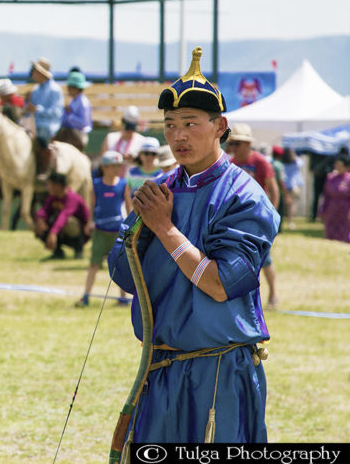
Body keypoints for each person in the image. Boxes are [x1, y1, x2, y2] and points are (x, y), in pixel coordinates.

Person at [108, 47, 279, 445]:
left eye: (190, 123)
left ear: (220, 125)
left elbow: (221, 284)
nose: (178, 135)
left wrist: (164, 229)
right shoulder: (162, 188)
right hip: (161, 369)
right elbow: (123, 271)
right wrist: (140, 231)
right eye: (170, 125)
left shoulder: (244, 197)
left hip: (218, 371)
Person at [227, 123, 280, 308]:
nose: (234, 148)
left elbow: (273, 190)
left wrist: (271, 218)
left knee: (265, 258)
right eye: (232, 144)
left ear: (248, 144)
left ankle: (273, 294)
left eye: (238, 144)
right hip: (237, 219)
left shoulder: (260, 162)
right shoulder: (230, 164)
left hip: (258, 219)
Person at [77, 151, 132, 307]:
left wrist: (129, 225)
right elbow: (92, 205)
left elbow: (128, 205)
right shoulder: (96, 185)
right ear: (105, 168)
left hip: (117, 230)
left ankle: (123, 297)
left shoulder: (123, 184)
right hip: (101, 230)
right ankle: (86, 295)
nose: (117, 169)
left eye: (118, 166)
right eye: (114, 166)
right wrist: (89, 222)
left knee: (119, 264)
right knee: (94, 263)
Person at [34, 172, 91, 259]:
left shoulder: (72, 198)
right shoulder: (53, 197)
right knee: (40, 224)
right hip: (62, 232)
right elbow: (44, 210)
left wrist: (53, 232)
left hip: (81, 233)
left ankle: (78, 249)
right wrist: (40, 219)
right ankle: (58, 252)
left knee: (69, 221)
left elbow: (64, 216)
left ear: (57, 186)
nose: (48, 187)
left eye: (49, 185)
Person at [25, 57, 64, 178]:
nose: (32, 74)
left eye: (35, 71)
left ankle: (44, 168)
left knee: (41, 133)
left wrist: (37, 109)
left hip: (49, 124)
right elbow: (30, 110)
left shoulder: (55, 89)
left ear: (41, 73)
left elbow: (56, 112)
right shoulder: (35, 90)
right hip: (34, 122)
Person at [55, 69, 92, 153]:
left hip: (79, 135)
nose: (68, 89)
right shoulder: (74, 101)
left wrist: (70, 115)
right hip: (71, 133)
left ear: (76, 88)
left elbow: (83, 123)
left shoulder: (83, 102)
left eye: (70, 87)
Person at [319, 153, 350, 243]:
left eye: (340, 165)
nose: (337, 167)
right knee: (330, 232)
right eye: (336, 165)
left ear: (347, 167)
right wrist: (323, 210)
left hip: (345, 209)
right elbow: (326, 195)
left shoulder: (348, 179)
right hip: (332, 208)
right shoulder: (330, 177)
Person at [279, 147, 304, 229]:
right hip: (294, 185)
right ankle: (290, 221)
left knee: (283, 205)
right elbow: (301, 163)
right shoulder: (296, 161)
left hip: (284, 184)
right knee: (291, 205)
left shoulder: (282, 162)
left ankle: (282, 221)